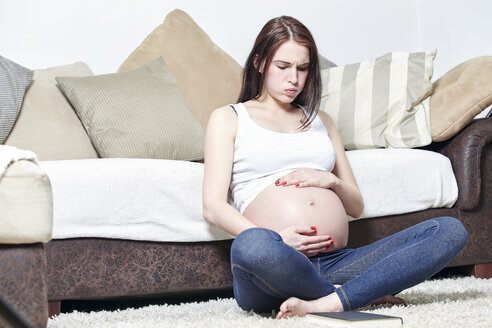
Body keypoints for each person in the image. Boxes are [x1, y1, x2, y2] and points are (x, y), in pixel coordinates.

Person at [202, 15, 468, 318]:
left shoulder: (321, 120)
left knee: (448, 230)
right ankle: (353, 295)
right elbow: (212, 206)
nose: (294, 79)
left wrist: (332, 181)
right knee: (251, 245)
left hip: (337, 262)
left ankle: (327, 302)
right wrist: (276, 239)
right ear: (260, 63)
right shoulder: (230, 118)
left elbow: (355, 206)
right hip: (273, 265)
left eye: (303, 69)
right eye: (283, 67)